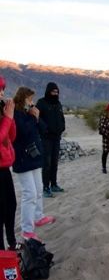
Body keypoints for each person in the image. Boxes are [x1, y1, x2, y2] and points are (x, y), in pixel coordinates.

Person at [12, 87, 55, 241]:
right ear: (22, 98)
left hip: (34, 157)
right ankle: (26, 229)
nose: (31, 102)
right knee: (29, 193)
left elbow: (43, 129)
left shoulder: (29, 113)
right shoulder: (16, 114)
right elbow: (24, 132)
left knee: (38, 190)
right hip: (22, 159)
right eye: (29, 99)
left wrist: (37, 116)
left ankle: (38, 216)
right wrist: (33, 118)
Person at [36, 82, 66, 198]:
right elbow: (37, 118)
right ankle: (45, 187)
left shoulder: (58, 104)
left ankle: (54, 184)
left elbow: (62, 117)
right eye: (53, 92)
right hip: (46, 138)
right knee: (46, 163)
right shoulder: (41, 103)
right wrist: (46, 129)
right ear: (48, 91)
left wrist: (62, 126)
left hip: (57, 138)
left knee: (54, 162)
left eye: (57, 92)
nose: (55, 94)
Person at [0, 77, 18, 249]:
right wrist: (8, 118)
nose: (2, 93)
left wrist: (10, 118)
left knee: (11, 206)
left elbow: (10, 137)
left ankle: (12, 242)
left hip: (4, 167)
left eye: (3, 89)